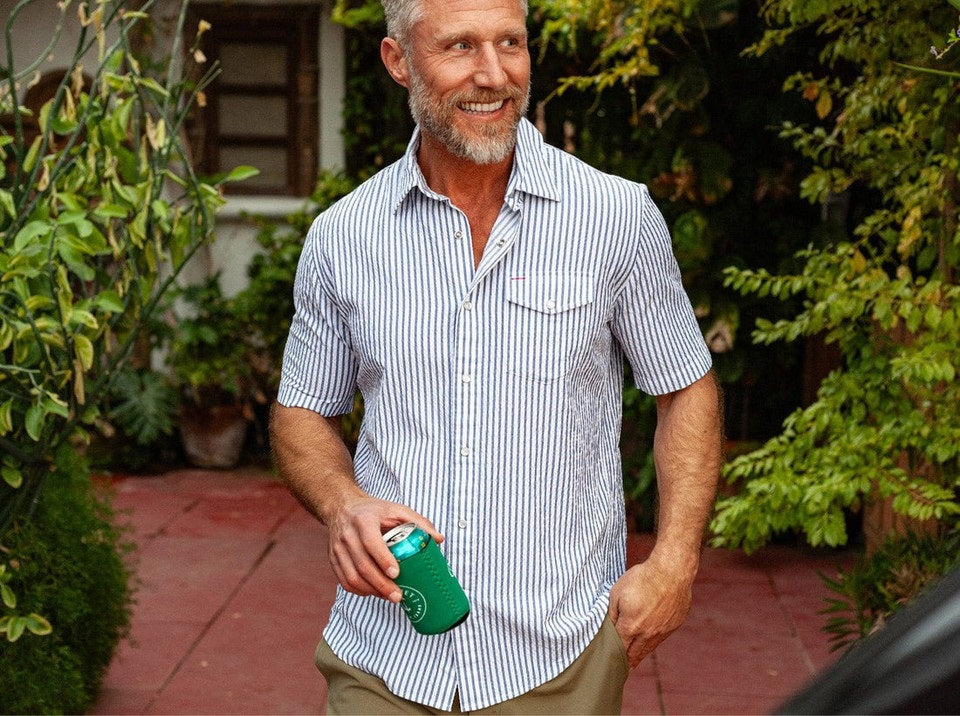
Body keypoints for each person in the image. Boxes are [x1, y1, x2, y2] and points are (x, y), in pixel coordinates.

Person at [269, 0, 723, 712]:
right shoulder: (343, 236)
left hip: (559, 658)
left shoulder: (616, 217)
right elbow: (301, 412)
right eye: (458, 47)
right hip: (385, 657)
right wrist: (342, 505)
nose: (493, 74)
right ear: (399, 62)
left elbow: (686, 388)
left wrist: (675, 563)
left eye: (510, 42)